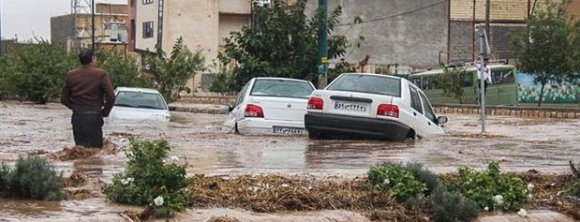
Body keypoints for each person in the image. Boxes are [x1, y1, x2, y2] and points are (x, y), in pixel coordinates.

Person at [60, 50, 115, 148]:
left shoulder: (71, 75)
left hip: (78, 117)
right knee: (95, 152)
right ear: (93, 59)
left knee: (80, 150)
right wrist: (105, 112)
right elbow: (111, 97)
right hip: (94, 116)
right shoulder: (101, 74)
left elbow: (64, 98)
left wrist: (75, 107)